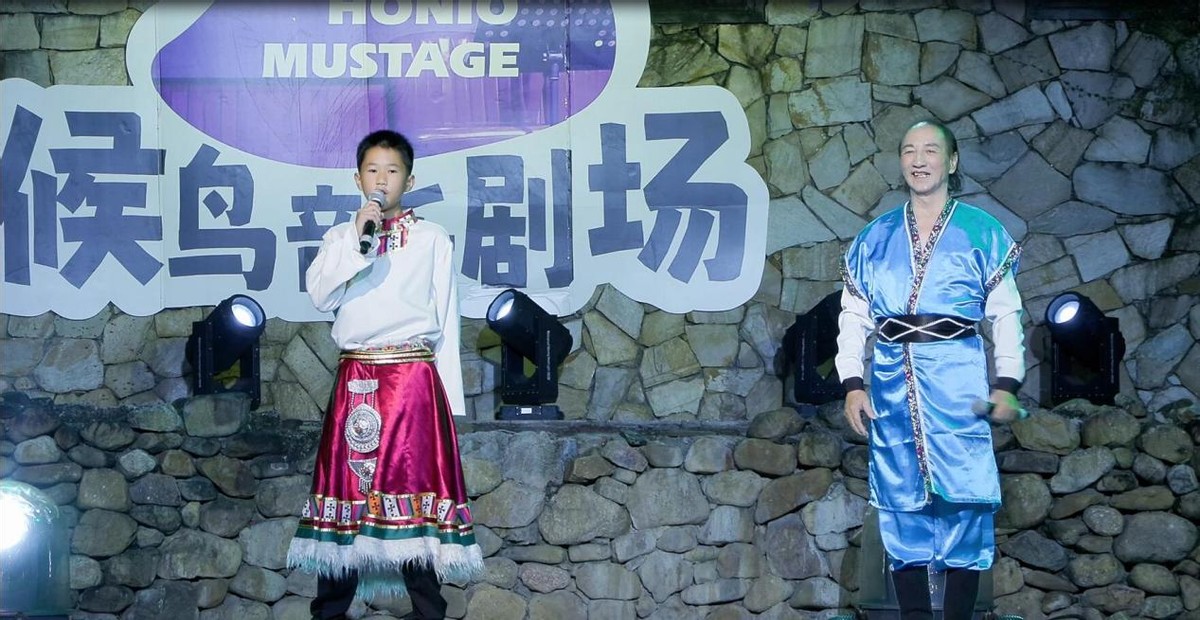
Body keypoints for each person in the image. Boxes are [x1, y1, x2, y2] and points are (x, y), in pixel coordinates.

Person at [834, 119, 1027, 620]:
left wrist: (1006, 382)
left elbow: (1006, 314)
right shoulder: (874, 238)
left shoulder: (982, 232)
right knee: (900, 502)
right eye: (909, 151)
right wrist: (853, 383)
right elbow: (853, 317)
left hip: (958, 382)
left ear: (952, 160)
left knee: (965, 500)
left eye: (930, 151)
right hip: (892, 385)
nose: (918, 160)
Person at [288, 129, 483, 620]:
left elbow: (447, 320)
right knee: (347, 491)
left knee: (414, 491)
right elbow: (321, 296)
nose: (382, 180)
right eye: (372, 170)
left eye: (392, 171)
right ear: (357, 179)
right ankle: (329, 611)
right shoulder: (342, 238)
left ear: (409, 180)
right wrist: (357, 242)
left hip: (412, 380)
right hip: (357, 376)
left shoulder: (431, 238)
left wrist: (447, 403)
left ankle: (428, 610)